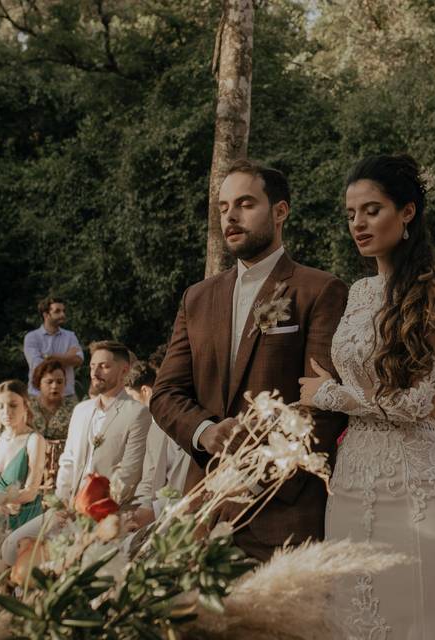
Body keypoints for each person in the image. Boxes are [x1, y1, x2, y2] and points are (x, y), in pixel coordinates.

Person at [297, 154, 435, 638]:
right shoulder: (358, 292)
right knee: (356, 610)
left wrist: (333, 396)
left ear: (407, 212)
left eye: (371, 210)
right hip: (352, 480)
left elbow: (420, 406)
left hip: (414, 484)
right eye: (351, 214)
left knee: (424, 615)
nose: (358, 224)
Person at [151, 159, 348, 562]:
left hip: (281, 510)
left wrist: (256, 481)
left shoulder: (319, 290)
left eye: (245, 204)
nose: (231, 217)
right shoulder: (197, 298)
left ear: (280, 211)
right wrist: (205, 431)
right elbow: (166, 393)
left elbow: (324, 407)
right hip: (200, 509)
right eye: (223, 208)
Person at [2, 341, 151, 564]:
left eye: (104, 366)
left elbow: (129, 473)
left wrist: (88, 510)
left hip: (106, 513)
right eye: (92, 366)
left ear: (124, 371)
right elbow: (68, 461)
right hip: (66, 508)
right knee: (12, 547)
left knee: (67, 560)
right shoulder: (81, 410)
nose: (95, 372)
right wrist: (61, 504)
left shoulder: (138, 413)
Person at [121, 361, 191, 532]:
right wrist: (141, 508)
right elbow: (150, 476)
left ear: (145, 391)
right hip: (158, 519)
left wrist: (153, 511)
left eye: (132, 398)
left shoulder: (189, 424)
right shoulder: (153, 428)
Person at [0, 381, 45, 531]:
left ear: (26, 406)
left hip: (24, 520)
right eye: (0, 406)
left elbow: (31, 492)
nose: (6, 412)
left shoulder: (34, 440)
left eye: (13, 405)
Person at [28, 358, 77, 485]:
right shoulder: (27, 406)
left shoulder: (74, 407)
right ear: (38, 383)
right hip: (30, 468)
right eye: (49, 382)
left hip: (64, 471)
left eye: (60, 382)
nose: (55, 386)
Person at [23, 297, 83, 398]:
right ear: (46, 315)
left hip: (66, 395)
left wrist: (48, 357)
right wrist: (67, 357)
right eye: (57, 311)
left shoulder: (70, 336)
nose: (62, 315)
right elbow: (38, 366)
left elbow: (78, 360)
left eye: (63, 311)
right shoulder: (32, 337)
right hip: (38, 396)